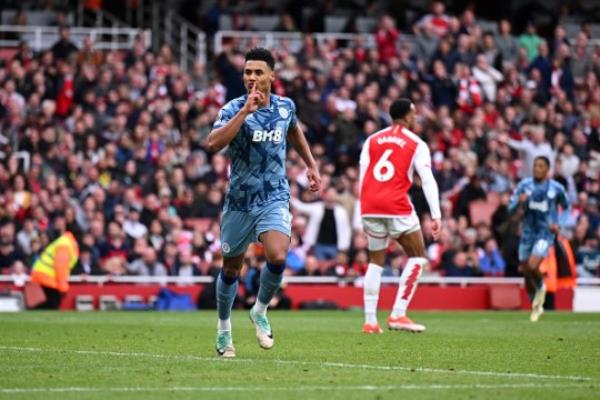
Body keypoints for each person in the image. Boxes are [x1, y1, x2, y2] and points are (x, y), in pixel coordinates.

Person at [206, 48, 321, 358]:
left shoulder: (286, 107)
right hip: (239, 202)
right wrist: (245, 112)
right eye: (247, 72)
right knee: (231, 270)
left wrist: (310, 164)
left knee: (278, 255)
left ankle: (259, 309)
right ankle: (223, 329)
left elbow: (294, 130)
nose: (252, 78)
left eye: (258, 72)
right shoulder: (232, 109)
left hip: (274, 197)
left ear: (272, 75)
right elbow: (213, 144)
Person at [359, 98, 442, 334]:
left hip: (370, 205)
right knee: (418, 256)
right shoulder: (416, 143)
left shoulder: (372, 140)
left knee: (376, 261)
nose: (415, 117)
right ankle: (398, 313)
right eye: (414, 113)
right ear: (406, 116)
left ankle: (370, 321)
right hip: (395, 204)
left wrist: (362, 208)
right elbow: (427, 179)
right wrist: (436, 214)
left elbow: (363, 175)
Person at [508, 156, 570, 322]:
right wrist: (518, 203)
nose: (537, 169)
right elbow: (509, 208)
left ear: (547, 170)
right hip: (527, 233)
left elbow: (566, 207)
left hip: (545, 233)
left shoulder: (556, 188)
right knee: (526, 272)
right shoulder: (524, 186)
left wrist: (559, 224)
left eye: (541, 166)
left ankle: (541, 287)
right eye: (535, 166)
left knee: (532, 264)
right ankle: (535, 305)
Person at [29, 231, 79, 309]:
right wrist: (63, 287)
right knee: (54, 303)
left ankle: (31, 313)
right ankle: (31, 313)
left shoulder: (64, 242)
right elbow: (61, 266)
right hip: (46, 275)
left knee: (52, 303)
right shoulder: (66, 245)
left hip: (43, 273)